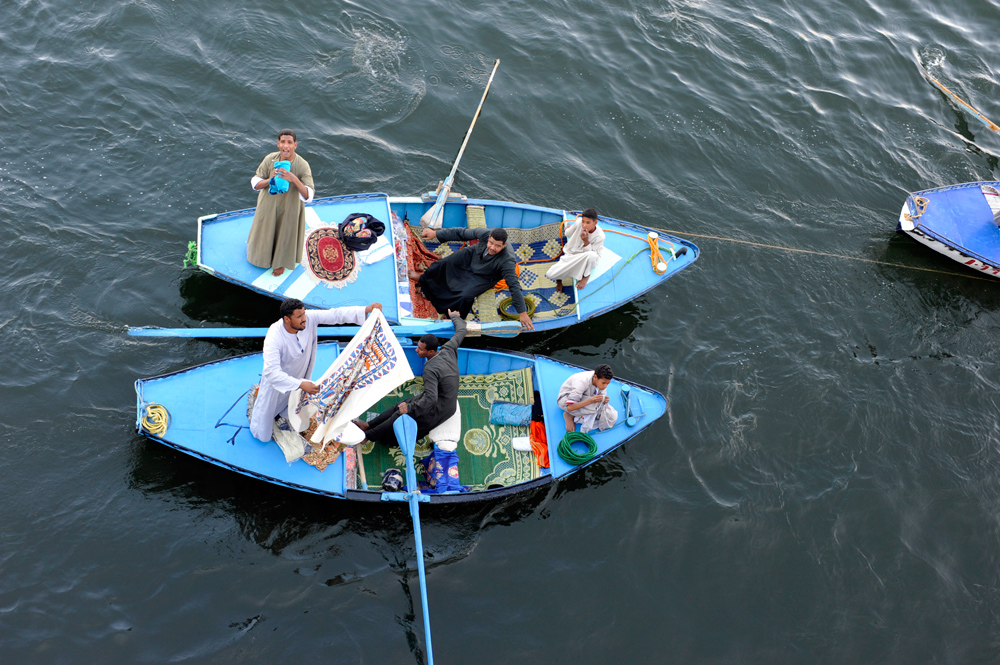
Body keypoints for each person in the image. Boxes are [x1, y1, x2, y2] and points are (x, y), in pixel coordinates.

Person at [249, 298, 382, 442]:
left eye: (304, 314)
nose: (304, 319)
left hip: (300, 376)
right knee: (263, 430)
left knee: (291, 406)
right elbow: (272, 372)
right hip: (277, 385)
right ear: (287, 319)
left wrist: (366, 310)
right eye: (299, 316)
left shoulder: (308, 319)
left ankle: (287, 414)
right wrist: (300, 384)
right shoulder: (274, 336)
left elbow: (335, 315)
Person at [354, 309, 468, 444]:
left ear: (431, 351)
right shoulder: (448, 349)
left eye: (420, 349)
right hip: (443, 395)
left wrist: (410, 408)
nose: (416, 349)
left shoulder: (431, 370)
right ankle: (369, 425)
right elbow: (461, 330)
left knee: (402, 414)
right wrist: (454, 317)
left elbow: (431, 398)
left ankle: (368, 436)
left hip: (442, 408)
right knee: (399, 405)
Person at [413, 227, 534, 330]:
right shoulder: (485, 233)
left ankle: (453, 315)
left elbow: (514, 285)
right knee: (443, 263)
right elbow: (461, 233)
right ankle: (423, 280)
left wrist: (522, 313)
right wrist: (436, 233)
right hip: (472, 256)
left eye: (497, 246)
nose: (492, 248)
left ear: (504, 245)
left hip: (486, 275)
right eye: (491, 243)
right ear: (489, 237)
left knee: (465, 295)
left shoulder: (507, 261)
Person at [246, 129, 315, 277]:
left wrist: (294, 179)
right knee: (264, 230)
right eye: (283, 142)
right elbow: (255, 183)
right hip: (268, 205)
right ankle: (261, 256)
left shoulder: (302, 165)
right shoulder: (270, 159)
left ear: (295, 145)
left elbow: (309, 195)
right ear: (278, 144)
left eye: (289, 142)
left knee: (285, 234)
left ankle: (280, 262)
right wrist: (269, 179)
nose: (286, 145)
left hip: (290, 207)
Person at [546, 208, 605, 292]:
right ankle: (559, 280)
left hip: (586, 258)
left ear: (595, 223)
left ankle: (585, 276)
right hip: (571, 254)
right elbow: (568, 233)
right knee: (549, 274)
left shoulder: (599, 236)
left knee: (592, 255)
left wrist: (586, 241)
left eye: (588, 222)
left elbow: (591, 257)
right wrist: (567, 229)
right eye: (583, 221)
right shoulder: (578, 223)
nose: (584, 225)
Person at [557, 364, 618, 433]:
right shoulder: (581, 383)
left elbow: (601, 393)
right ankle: (569, 415)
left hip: (584, 395)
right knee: (593, 408)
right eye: (603, 383)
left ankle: (578, 414)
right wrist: (590, 401)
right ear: (595, 377)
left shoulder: (599, 379)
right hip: (566, 399)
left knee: (610, 415)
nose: (605, 386)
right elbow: (569, 407)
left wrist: (604, 400)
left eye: (607, 384)